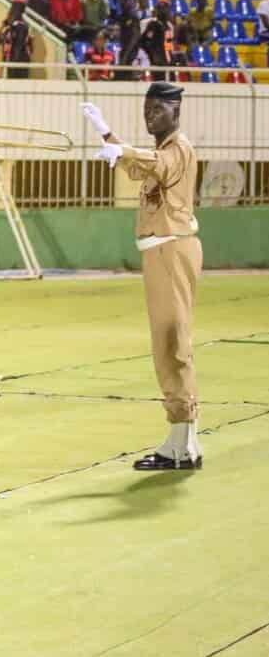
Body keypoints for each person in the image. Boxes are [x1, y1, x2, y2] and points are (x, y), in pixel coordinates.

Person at [83, 85, 203, 471]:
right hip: (161, 252)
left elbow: (157, 164)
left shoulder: (177, 148)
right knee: (170, 341)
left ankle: (180, 443)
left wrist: (124, 150)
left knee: (171, 343)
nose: (151, 115)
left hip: (171, 249)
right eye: (147, 108)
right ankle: (186, 441)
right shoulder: (162, 150)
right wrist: (107, 135)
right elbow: (140, 166)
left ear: (176, 109)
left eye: (159, 108)